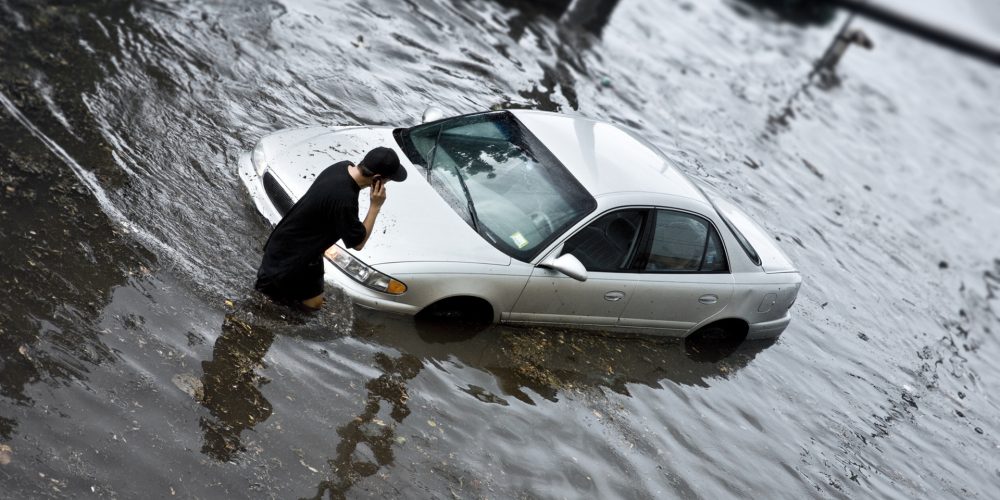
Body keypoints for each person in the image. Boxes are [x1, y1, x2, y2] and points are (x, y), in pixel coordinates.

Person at [254, 146, 406, 310]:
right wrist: (375, 206)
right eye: (387, 180)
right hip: (287, 261)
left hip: (305, 253)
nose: (386, 184)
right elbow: (358, 243)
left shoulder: (341, 167)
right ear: (377, 178)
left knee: (314, 305)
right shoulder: (345, 199)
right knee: (261, 306)